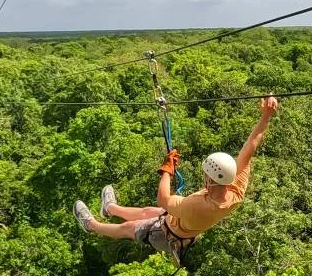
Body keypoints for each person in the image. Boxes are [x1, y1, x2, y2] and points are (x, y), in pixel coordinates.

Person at [73, 96, 280, 266]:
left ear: (209, 179)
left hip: (166, 235)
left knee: (130, 228)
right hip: (180, 226)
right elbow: (250, 147)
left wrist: (166, 170)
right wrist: (266, 116)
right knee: (147, 211)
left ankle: (91, 225)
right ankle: (111, 209)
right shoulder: (236, 190)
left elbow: (164, 199)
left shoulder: (196, 205)